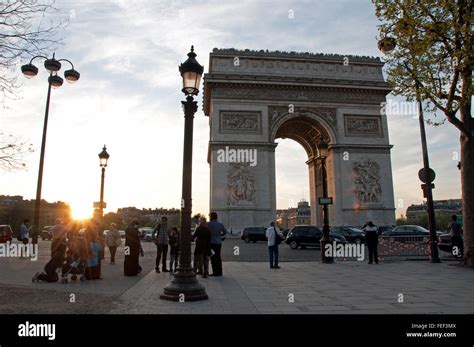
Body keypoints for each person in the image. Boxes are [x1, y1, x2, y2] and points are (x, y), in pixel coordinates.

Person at [207, 212, 227, 276]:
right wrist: (219, 235)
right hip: (218, 243)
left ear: (211, 217)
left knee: (213, 257)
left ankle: (215, 272)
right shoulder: (220, 224)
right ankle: (220, 272)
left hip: (212, 243)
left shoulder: (208, 224)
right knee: (218, 257)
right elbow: (225, 232)